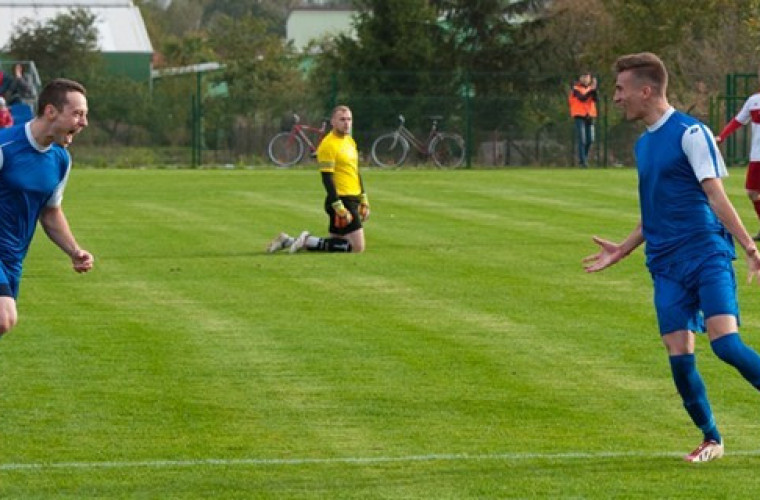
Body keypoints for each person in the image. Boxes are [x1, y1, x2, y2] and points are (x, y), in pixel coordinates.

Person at [583, 52, 760, 463]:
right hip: (665, 264)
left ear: (646, 90)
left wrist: (750, 248)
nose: (616, 98)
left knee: (727, 345)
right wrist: (622, 250)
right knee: (679, 358)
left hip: (705, 252)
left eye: (621, 90)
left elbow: (715, 196)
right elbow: (654, 212)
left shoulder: (691, 132)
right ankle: (711, 438)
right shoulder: (644, 145)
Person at [0, 78, 94, 337]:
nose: (84, 123)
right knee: (3, 317)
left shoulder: (60, 159)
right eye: (77, 114)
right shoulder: (4, 147)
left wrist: (74, 250)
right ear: (50, 111)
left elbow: (50, 211)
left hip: (12, 258)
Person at [266, 104, 369, 254]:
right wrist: (338, 205)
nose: (346, 123)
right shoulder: (328, 145)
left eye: (349, 119)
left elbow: (355, 171)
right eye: (342, 119)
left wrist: (364, 198)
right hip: (342, 198)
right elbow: (327, 178)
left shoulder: (350, 141)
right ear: (333, 122)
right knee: (357, 247)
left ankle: (288, 241)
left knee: (335, 244)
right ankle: (305, 240)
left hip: (353, 197)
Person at [715, 70, 760, 240]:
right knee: (752, 192)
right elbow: (738, 121)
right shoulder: (753, 101)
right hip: (757, 156)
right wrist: (721, 136)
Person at [568, 72, 598, 167]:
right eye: (583, 77)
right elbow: (582, 98)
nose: (585, 79)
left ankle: (584, 158)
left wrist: (595, 90)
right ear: (580, 79)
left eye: (587, 77)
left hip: (590, 116)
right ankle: (583, 161)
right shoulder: (576, 89)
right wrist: (592, 90)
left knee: (590, 139)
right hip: (579, 115)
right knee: (582, 139)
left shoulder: (590, 89)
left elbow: (596, 99)